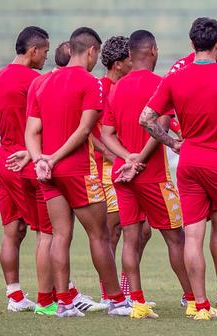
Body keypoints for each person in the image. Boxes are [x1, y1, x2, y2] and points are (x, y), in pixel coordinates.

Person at [142, 17, 217, 320]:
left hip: (189, 162)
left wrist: (173, 143)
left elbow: (146, 118)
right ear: (216, 44)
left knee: (193, 236)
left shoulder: (175, 78)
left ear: (192, 43)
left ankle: (201, 306)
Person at [24, 26, 126, 318]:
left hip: (48, 173)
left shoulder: (42, 83)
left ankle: (64, 304)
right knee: (100, 236)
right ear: (92, 51)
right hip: (78, 170)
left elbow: (31, 131)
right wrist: (54, 158)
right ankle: (117, 301)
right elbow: (84, 131)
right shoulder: (91, 83)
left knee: (60, 236)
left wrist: (40, 160)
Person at [99, 29, 190, 320]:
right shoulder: (161, 84)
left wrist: (127, 158)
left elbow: (106, 133)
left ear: (129, 55)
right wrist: (141, 159)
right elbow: (159, 127)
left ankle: (136, 301)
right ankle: (192, 299)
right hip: (153, 175)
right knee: (176, 239)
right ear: (153, 51)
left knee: (130, 237)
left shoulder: (118, 88)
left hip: (123, 174)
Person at [0, 26, 52, 313]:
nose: (46, 58)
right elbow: (46, 124)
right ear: (33, 51)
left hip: (3, 165)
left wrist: (1, 144)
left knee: (12, 231)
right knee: (47, 234)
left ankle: (14, 296)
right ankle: (54, 296)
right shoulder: (35, 81)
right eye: (45, 52)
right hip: (27, 166)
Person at [169, 21, 217, 309]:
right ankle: (192, 292)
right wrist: (181, 135)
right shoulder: (180, 70)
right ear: (214, 43)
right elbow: (164, 111)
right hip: (195, 152)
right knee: (194, 227)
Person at [95, 36, 132, 298]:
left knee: (141, 230)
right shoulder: (100, 87)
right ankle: (111, 293)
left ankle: (124, 290)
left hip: (124, 164)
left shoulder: (128, 86)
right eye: (130, 58)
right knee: (114, 231)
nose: (134, 62)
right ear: (118, 64)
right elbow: (85, 128)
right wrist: (108, 153)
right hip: (105, 168)